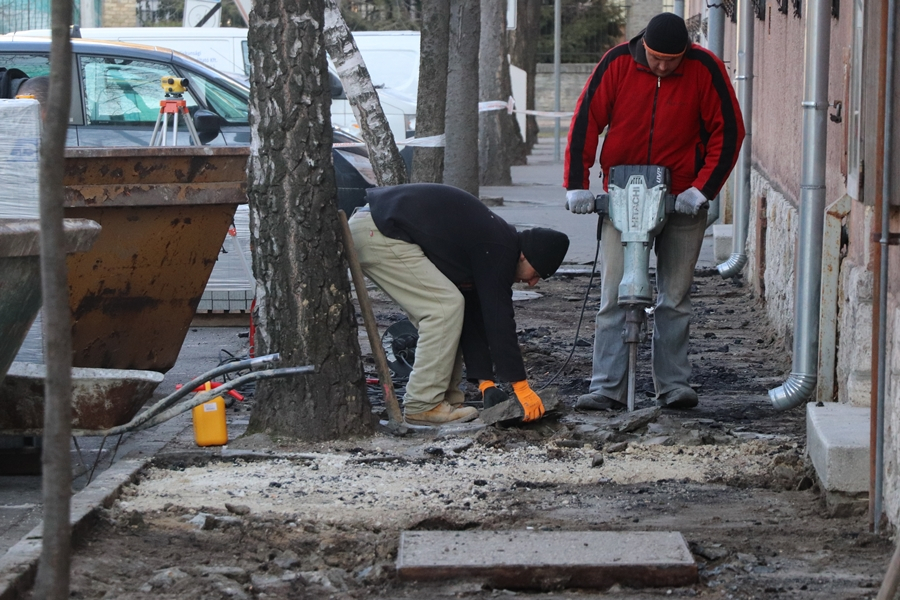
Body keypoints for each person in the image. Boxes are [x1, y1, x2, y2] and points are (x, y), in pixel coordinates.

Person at [563, 13, 745, 410]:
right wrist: (577, 184)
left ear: (686, 52)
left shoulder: (705, 68)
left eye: (672, 60)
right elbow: (586, 121)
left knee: (674, 297)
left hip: (682, 198)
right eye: (656, 57)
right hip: (623, 194)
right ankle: (607, 386)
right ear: (643, 45)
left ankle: (674, 385)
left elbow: (728, 131)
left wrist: (703, 188)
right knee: (614, 292)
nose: (663, 66)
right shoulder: (616, 63)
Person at [348, 183, 570, 426]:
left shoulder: (493, 246)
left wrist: (486, 384)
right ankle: (423, 404)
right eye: (536, 273)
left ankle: (446, 400)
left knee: (454, 308)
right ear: (524, 255)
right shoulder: (499, 248)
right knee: (443, 308)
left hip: (380, 226)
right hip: (379, 231)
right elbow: (500, 323)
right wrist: (521, 386)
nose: (532, 283)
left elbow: (475, 317)